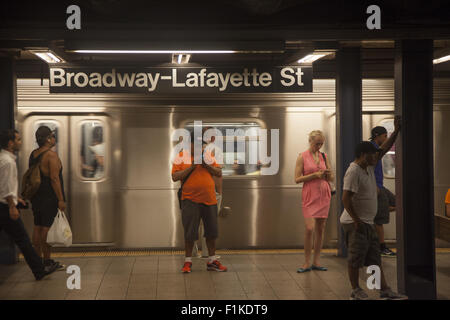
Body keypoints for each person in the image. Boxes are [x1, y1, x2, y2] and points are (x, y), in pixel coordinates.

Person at [341, 116, 407, 300]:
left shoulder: (368, 166)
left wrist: (396, 131)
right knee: (355, 259)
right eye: (372, 155)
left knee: (373, 259)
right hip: (355, 223)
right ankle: (355, 290)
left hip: (367, 222)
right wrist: (357, 221)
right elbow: (345, 199)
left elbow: (384, 149)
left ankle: (384, 290)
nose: (376, 157)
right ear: (363, 155)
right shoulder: (353, 171)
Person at [0, 129, 57, 280]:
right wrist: (12, 205)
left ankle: (38, 270)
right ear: (10, 143)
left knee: (23, 240)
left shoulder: (3, 158)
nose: (20, 142)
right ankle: (39, 270)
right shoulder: (8, 162)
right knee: (23, 240)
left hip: (6, 203)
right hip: (5, 208)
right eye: (18, 140)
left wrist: (16, 197)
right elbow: (5, 186)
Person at [172, 131, 227, 273]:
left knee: (211, 232)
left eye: (200, 145)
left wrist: (205, 164)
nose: (198, 148)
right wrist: (191, 167)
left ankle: (212, 260)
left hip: (209, 199)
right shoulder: (180, 157)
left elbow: (218, 172)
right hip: (190, 200)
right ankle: (188, 262)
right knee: (190, 232)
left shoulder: (207, 156)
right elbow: (174, 176)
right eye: (194, 144)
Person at [294, 130, 333, 273]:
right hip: (310, 194)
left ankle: (316, 261)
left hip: (323, 193)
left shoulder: (324, 156)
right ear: (310, 141)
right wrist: (314, 175)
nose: (319, 146)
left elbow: (331, 177)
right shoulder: (302, 157)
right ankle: (306, 262)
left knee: (320, 228)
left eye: (321, 144)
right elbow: (297, 179)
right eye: (317, 143)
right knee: (310, 228)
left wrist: (328, 175)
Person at [29, 126, 66, 271]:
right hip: (49, 196)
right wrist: (61, 199)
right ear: (47, 139)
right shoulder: (51, 155)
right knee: (47, 229)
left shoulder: (33, 154)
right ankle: (47, 261)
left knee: (37, 226)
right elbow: (54, 179)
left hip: (36, 196)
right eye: (53, 136)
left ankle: (38, 260)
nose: (54, 138)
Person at [370, 126, 396, 257]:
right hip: (376, 187)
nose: (385, 139)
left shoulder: (375, 147)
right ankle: (382, 247)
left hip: (381, 186)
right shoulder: (371, 148)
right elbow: (384, 148)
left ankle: (376, 215)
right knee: (379, 220)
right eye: (384, 136)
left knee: (397, 203)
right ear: (377, 135)